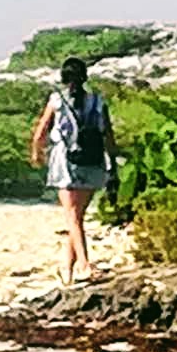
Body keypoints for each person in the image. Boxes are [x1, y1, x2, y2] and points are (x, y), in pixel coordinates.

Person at [30, 57, 115, 281]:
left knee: (72, 217)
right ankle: (67, 267)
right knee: (77, 216)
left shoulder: (57, 100)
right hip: (92, 160)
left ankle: (83, 266)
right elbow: (108, 134)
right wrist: (112, 162)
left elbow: (41, 132)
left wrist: (36, 153)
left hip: (65, 160)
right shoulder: (97, 101)